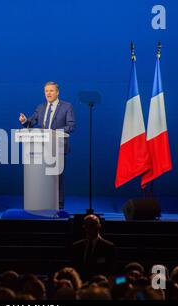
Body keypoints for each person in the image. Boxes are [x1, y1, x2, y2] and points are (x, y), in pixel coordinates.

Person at [19, 81, 75, 209]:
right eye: (46, 91)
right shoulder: (41, 107)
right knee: (42, 175)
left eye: (51, 91)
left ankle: (59, 205)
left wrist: (54, 133)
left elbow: (71, 126)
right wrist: (25, 121)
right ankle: (42, 202)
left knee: (57, 178)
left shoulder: (67, 107)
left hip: (58, 146)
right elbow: (31, 122)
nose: (48, 93)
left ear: (57, 92)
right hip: (42, 147)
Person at [71, 214, 116, 281]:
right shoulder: (76, 247)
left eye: (92, 225)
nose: (89, 229)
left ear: (99, 226)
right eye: (87, 226)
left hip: (100, 286)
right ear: (84, 227)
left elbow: (111, 271)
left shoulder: (108, 247)